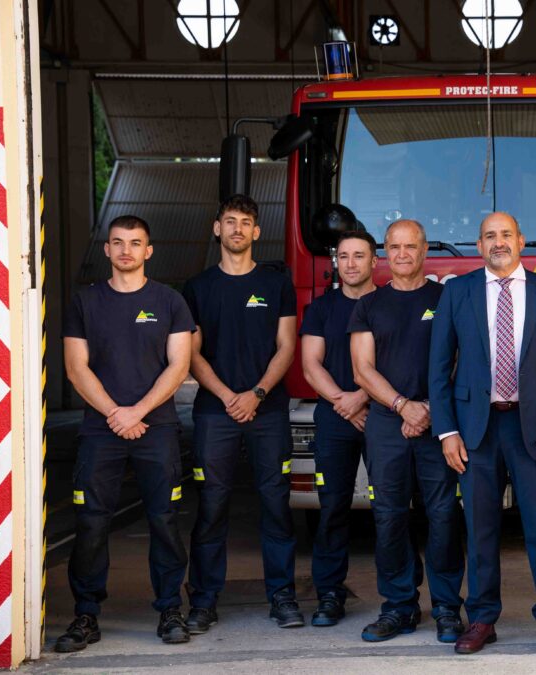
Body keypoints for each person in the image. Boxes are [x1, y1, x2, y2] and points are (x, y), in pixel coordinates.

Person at [429, 212, 536, 656]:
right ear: (479, 246)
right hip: (476, 429)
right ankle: (481, 618)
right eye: (490, 236)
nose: (499, 243)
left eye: (506, 235)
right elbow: (437, 370)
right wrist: (447, 431)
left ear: (522, 241)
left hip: (533, 430)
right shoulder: (457, 292)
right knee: (480, 530)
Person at [57, 215, 194, 651]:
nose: (126, 251)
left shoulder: (170, 301)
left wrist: (137, 411)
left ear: (148, 251)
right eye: (118, 243)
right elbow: (76, 367)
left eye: (135, 243)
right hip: (101, 431)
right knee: (91, 523)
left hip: (157, 430)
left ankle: (171, 609)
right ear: (107, 249)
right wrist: (116, 413)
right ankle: (85, 615)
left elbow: (179, 365)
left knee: (164, 521)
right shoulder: (85, 302)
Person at [182, 194, 302, 632]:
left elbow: (287, 346)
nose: (236, 229)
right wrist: (229, 396)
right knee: (211, 506)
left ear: (256, 232)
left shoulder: (276, 284)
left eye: (245, 222)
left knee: (276, 505)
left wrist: (255, 393)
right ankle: (204, 600)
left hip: (267, 412)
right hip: (215, 414)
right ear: (217, 229)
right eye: (229, 221)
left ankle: (283, 596)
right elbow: (190, 354)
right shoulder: (197, 287)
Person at [349, 219, 465, 643]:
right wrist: (402, 405)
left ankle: (448, 608)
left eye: (410, 246)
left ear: (423, 251)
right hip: (386, 424)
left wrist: (433, 408)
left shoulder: (447, 298)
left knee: (443, 515)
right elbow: (362, 369)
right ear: (385, 253)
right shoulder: (368, 305)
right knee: (389, 517)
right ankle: (399, 606)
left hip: (438, 424)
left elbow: (461, 358)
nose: (402, 254)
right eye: (394, 247)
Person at [299, 230, 377, 627]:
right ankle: (329, 594)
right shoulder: (321, 307)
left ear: (373, 262)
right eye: (343, 256)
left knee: (392, 509)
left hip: (381, 417)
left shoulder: (386, 303)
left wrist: (360, 399)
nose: (350, 263)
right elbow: (311, 364)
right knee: (332, 508)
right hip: (334, 419)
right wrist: (344, 404)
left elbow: (398, 361)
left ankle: (400, 596)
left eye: (358, 256)